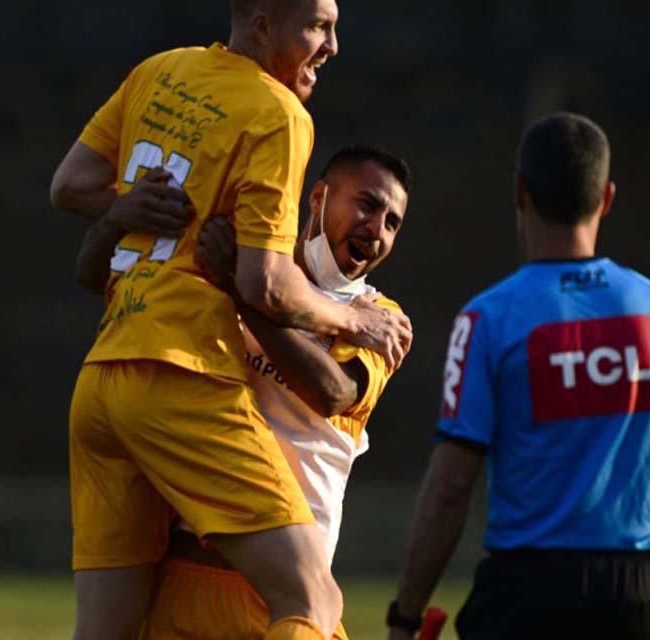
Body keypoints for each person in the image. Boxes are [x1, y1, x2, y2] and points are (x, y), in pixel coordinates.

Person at [50, 2, 413, 639]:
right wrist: (346, 321)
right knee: (314, 602)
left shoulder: (160, 72)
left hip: (104, 376)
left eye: (392, 223)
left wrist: (120, 211)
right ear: (262, 20)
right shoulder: (278, 114)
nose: (331, 45)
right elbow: (264, 284)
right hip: (175, 378)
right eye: (318, 26)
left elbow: (70, 188)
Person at [386, 113, 650, 640]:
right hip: (641, 594)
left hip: (528, 591)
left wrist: (406, 614)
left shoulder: (488, 319)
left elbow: (451, 487)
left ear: (521, 193)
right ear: (606, 198)